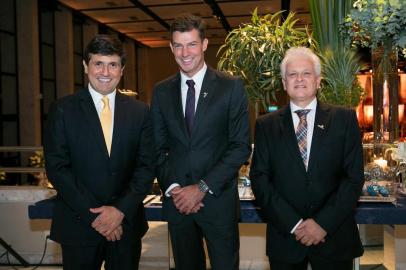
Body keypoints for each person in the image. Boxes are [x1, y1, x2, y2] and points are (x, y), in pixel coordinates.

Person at [44, 35, 155, 270]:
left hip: (126, 225)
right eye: (98, 63)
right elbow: (57, 168)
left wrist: (119, 212)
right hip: (78, 224)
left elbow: (146, 167)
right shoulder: (63, 110)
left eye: (113, 64)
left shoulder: (140, 112)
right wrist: (97, 216)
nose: (105, 71)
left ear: (122, 69)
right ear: (86, 66)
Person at [250, 47, 364, 270]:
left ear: (318, 80)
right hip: (286, 237)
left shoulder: (344, 119)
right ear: (284, 83)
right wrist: (294, 224)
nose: (299, 79)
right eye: (292, 74)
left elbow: (354, 177)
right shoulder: (266, 125)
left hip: (334, 237)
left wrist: (322, 223)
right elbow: (260, 179)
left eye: (306, 73)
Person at [151, 14, 251, 270]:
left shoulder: (231, 87)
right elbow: (157, 147)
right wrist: (175, 188)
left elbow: (240, 146)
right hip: (178, 205)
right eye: (179, 45)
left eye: (191, 44)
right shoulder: (161, 91)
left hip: (217, 204)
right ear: (171, 48)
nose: (185, 52)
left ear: (204, 44)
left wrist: (202, 187)